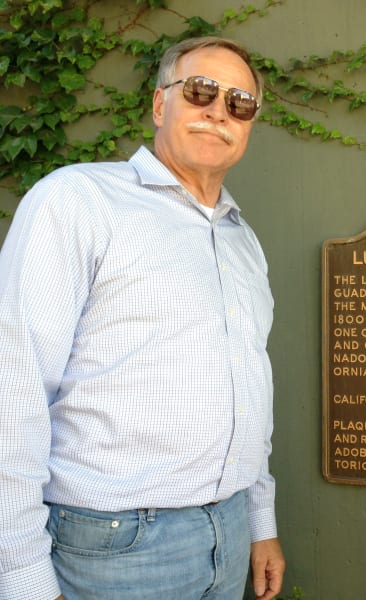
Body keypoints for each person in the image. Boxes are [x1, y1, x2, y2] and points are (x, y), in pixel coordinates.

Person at [0, 36, 285, 599]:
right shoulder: (78, 202)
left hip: (226, 535)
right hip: (114, 547)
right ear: (160, 105)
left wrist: (259, 522)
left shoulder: (241, 239)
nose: (217, 111)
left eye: (239, 102)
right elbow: (14, 389)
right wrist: (23, 577)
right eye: (200, 90)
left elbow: (251, 388)